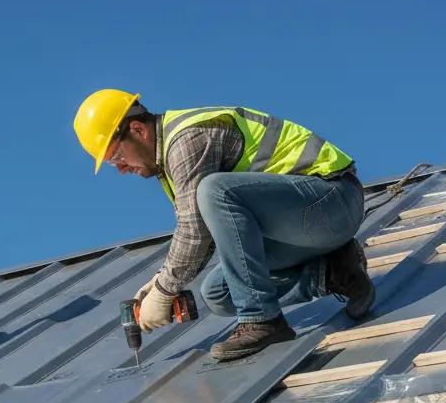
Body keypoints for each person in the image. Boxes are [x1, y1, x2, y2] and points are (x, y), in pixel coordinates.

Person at [73, 90, 376, 361]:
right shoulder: (168, 159)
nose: (122, 169)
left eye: (115, 157)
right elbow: (207, 231)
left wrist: (165, 290)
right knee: (217, 293)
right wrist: (160, 282)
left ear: (137, 130)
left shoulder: (186, 141)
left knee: (214, 190)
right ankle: (337, 272)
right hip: (302, 225)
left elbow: (195, 228)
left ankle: (262, 320)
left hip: (331, 201)